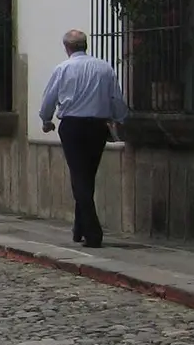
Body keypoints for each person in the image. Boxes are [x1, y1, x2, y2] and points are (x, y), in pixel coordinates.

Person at [40, 29, 128, 248]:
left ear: (67, 47)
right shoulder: (104, 68)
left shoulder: (63, 68)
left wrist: (46, 119)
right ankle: (79, 229)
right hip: (97, 127)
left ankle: (93, 232)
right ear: (85, 45)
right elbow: (116, 97)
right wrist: (120, 118)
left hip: (72, 126)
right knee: (87, 175)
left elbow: (49, 98)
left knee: (79, 176)